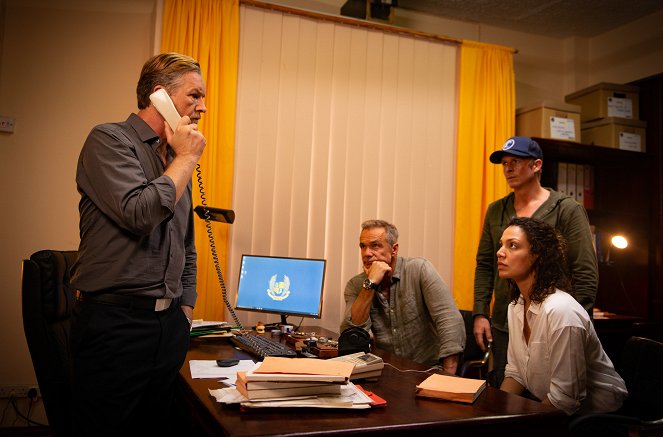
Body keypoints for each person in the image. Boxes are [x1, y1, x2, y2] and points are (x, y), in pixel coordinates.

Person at [70, 52, 207, 436]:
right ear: (160, 95)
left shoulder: (174, 158)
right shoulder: (109, 140)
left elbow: (187, 245)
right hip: (115, 324)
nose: (203, 107)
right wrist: (185, 158)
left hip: (167, 327)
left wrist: (185, 309)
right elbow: (140, 214)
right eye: (194, 96)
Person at [473, 136, 598, 387]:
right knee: (509, 385)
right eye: (505, 163)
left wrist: (574, 322)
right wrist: (480, 313)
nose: (508, 168)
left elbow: (584, 271)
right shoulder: (496, 210)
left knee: (553, 391)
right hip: (506, 319)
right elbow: (485, 263)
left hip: (552, 321)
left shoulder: (566, 209)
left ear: (537, 165)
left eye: (516, 161)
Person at [498, 217, 627, 416]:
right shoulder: (516, 306)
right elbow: (516, 373)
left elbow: (565, 399)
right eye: (501, 245)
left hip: (599, 418)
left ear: (537, 255)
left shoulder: (561, 311)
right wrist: (493, 414)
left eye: (513, 245)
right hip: (551, 407)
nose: (500, 252)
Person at [340, 219, 465, 372]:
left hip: (428, 369)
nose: (366, 253)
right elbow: (351, 335)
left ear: (394, 249)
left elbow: (449, 320)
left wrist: (448, 375)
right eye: (362, 246)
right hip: (387, 370)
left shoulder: (419, 270)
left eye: (375, 245)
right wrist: (370, 283)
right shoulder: (356, 285)